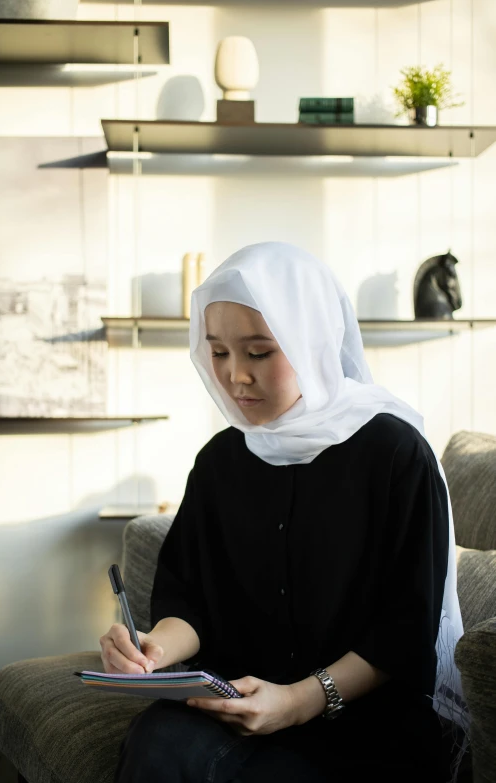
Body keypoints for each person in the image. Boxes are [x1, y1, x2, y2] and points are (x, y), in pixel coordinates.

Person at [102, 242, 468, 783]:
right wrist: (152, 649)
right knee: (156, 742)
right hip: (237, 706)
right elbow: (192, 601)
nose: (235, 377)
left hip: (363, 719)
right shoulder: (220, 461)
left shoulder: (396, 454)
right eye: (218, 352)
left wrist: (299, 700)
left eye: (258, 352)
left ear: (312, 340)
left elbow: (406, 631)